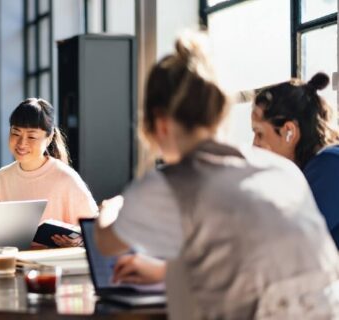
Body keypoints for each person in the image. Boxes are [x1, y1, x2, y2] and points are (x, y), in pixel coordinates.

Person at [94, 33, 339, 319]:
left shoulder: (172, 182)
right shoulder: (281, 171)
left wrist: (111, 210)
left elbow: (106, 243)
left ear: (160, 124)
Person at [0, 98, 98, 247]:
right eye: (15, 133)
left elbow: (94, 231)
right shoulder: (3, 176)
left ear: (49, 138)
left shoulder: (65, 178)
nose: (21, 143)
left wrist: (78, 242)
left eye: (31, 136)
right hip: (13, 264)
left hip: (54, 265)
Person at [251, 72, 339, 247]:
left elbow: (286, 245)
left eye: (259, 133)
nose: (254, 145)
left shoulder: (330, 167)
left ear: (289, 131)